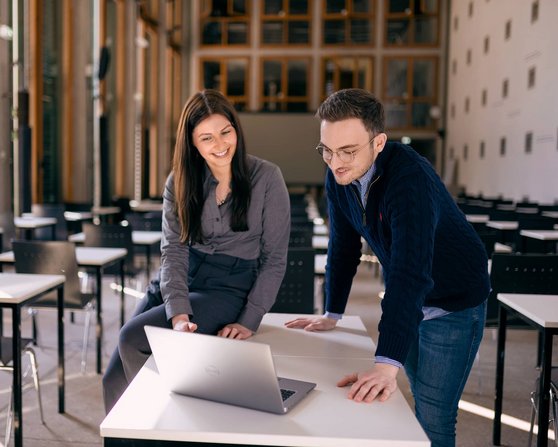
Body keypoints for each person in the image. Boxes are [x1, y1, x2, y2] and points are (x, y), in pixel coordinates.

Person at [285, 88, 489, 447]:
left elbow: (410, 272)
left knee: (433, 414)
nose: (335, 162)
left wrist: (386, 361)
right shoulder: (338, 175)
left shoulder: (409, 180)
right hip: (411, 293)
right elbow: (343, 246)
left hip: (454, 298)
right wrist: (332, 312)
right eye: (327, 150)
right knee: (399, 398)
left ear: (378, 143)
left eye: (348, 151)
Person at [103, 89, 291, 412]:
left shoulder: (267, 178)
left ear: (236, 129)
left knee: (132, 340)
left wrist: (250, 319)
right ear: (192, 143)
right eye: (207, 138)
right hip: (180, 277)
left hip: (228, 285)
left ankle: (167, 424)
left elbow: (274, 259)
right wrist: (178, 315)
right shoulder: (179, 181)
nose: (219, 146)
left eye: (225, 132)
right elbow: (173, 253)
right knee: (114, 378)